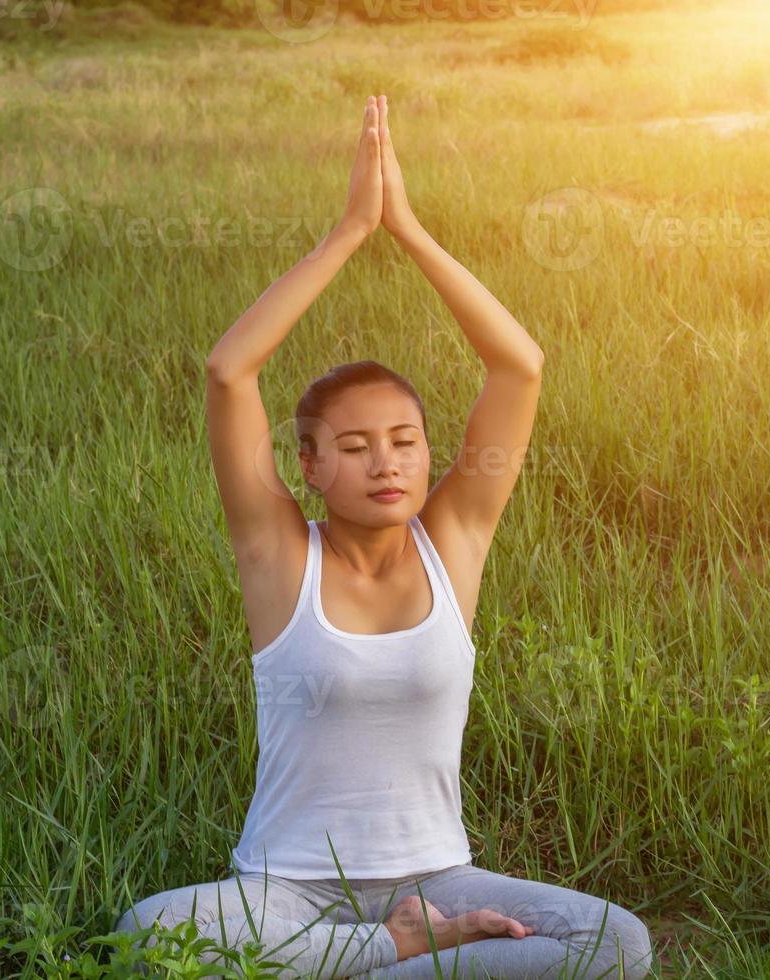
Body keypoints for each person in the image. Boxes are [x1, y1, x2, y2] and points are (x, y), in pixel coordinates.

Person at [112, 95, 654, 979]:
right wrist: (346, 236)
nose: (386, 465)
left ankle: (360, 962)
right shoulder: (282, 559)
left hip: (437, 878)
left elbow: (520, 364)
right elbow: (228, 369)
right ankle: (392, 957)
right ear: (311, 464)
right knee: (149, 934)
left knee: (617, 944)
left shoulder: (456, 543)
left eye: (405, 443)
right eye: (356, 448)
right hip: (284, 890)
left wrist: (407, 228)